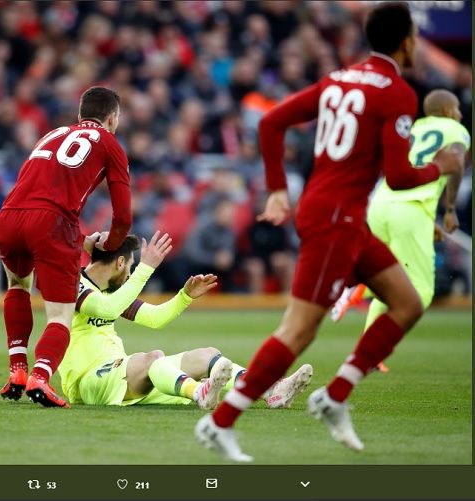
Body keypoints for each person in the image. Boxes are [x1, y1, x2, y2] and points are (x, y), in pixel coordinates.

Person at [194, 2, 465, 462]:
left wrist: (279, 189)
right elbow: (400, 177)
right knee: (298, 331)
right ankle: (219, 424)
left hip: (344, 216)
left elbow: (272, 121)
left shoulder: (339, 79)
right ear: (405, 41)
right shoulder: (396, 92)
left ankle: (335, 395)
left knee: (406, 303)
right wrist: (439, 167)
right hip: (335, 219)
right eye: (416, 37)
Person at [58, 232, 313, 410]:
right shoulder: (73, 286)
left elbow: (154, 318)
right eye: (131, 266)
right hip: (88, 383)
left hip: (121, 376)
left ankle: (270, 391)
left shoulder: (114, 292)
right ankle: (198, 392)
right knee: (152, 359)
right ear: (121, 262)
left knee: (208, 355)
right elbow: (107, 308)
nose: (130, 273)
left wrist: (184, 296)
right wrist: (147, 268)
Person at [0, 86, 132, 408]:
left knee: (17, 286)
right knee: (59, 317)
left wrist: (77, 237)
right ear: (112, 118)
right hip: (51, 224)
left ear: (81, 114)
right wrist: (108, 247)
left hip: (9, 216)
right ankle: (40, 377)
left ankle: (17, 369)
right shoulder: (110, 144)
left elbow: (40, 191)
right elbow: (123, 216)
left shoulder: (53, 134)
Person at [330, 89, 470, 372]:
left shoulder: (415, 128)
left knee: (392, 274)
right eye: (456, 109)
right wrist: (451, 209)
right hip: (411, 206)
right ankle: (360, 288)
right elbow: (455, 164)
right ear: (446, 111)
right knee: (419, 293)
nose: (460, 114)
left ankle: (370, 352)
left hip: (381, 202)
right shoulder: (455, 129)